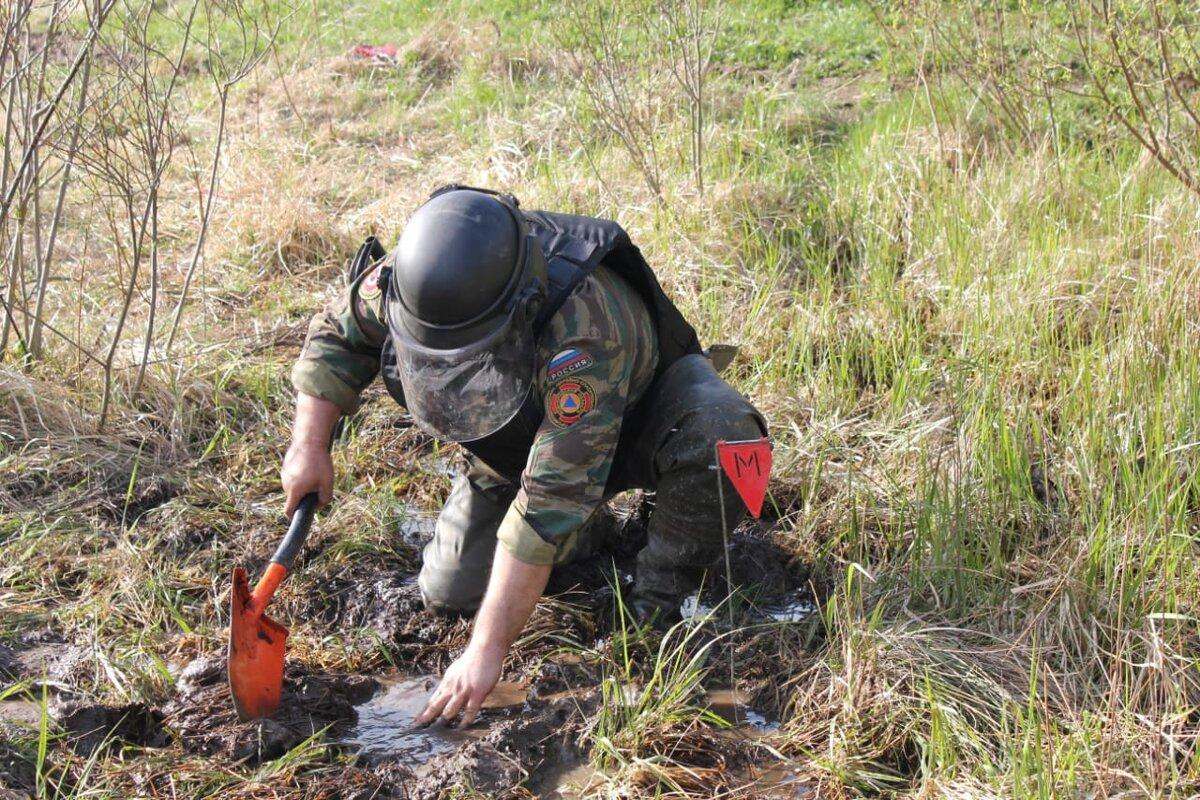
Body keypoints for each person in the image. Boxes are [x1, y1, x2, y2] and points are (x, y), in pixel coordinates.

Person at [281, 186, 765, 728]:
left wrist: (485, 652)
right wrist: (309, 447)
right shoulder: (415, 279)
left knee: (725, 440)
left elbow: (549, 500)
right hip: (513, 440)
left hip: (636, 419)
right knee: (450, 592)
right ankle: (588, 534)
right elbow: (335, 336)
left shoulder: (584, 326)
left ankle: (656, 604)